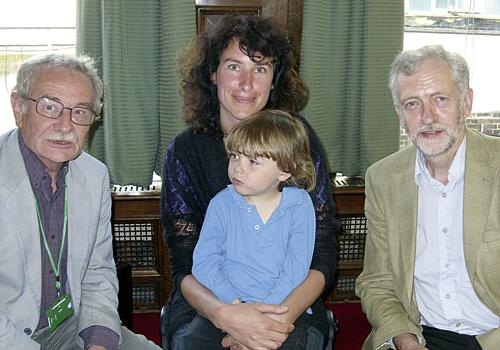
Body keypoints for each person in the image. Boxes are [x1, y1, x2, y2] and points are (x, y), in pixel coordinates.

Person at [160, 15, 338, 350]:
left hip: (289, 300)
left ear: (274, 81)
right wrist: (229, 315)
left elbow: (321, 253)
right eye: (233, 67)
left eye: (260, 69)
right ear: (212, 74)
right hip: (210, 298)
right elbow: (186, 262)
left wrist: (272, 321)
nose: (246, 83)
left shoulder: (297, 139)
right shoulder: (186, 151)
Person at [0, 54, 161, 350]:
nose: (65, 125)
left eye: (80, 112)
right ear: (18, 108)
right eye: (50, 107)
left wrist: (98, 341)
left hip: (69, 326)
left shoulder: (94, 175)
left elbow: (97, 273)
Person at [355, 44, 500, 350]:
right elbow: (376, 283)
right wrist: (405, 340)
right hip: (419, 333)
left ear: (467, 103)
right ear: (399, 114)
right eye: (412, 104)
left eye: (440, 99)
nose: (427, 117)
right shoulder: (383, 178)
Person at [183, 110, 317, 348]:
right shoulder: (221, 204)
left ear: (285, 171)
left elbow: (296, 269)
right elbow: (205, 262)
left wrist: (263, 316)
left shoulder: (299, 205)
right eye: (235, 156)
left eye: (253, 162)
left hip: (279, 308)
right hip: (227, 303)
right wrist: (235, 308)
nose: (238, 168)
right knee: (191, 341)